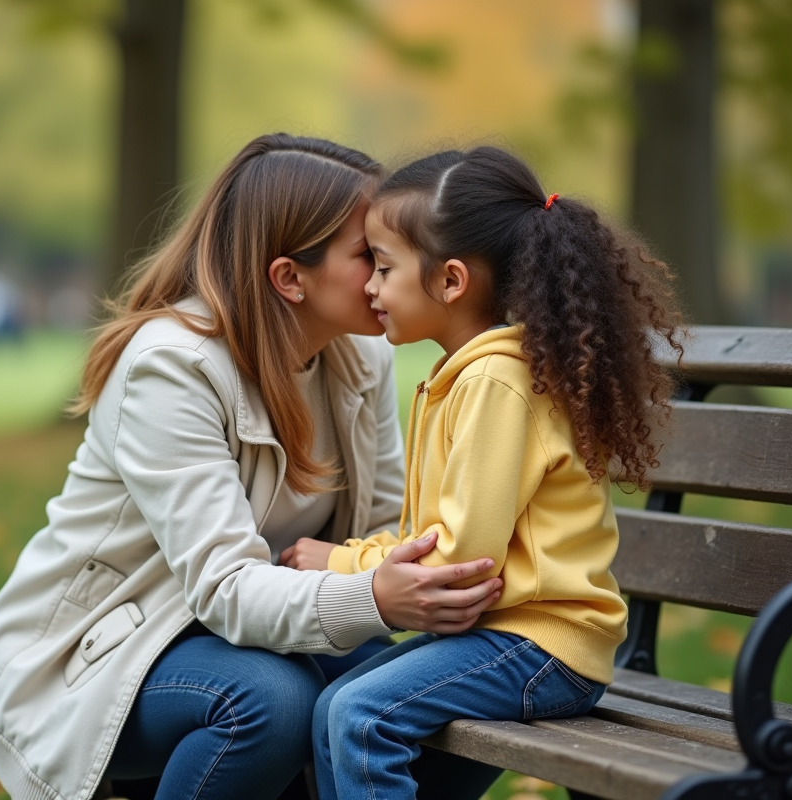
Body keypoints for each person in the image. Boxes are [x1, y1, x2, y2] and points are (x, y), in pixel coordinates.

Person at [0, 134, 506, 800]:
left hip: (277, 636)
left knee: (472, 685)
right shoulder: (169, 367)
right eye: (367, 255)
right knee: (271, 702)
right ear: (289, 277)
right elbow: (225, 585)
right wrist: (372, 594)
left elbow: (381, 524)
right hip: (105, 657)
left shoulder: (360, 355)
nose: (386, 275)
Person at [285, 146, 685, 800]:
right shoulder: (469, 377)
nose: (371, 287)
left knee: (359, 714)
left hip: (545, 648)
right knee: (337, 703)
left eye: (384, 268)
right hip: (508, 639)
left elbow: (459, 562)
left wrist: (340, 563)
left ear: (450, 281)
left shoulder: (497, 382)